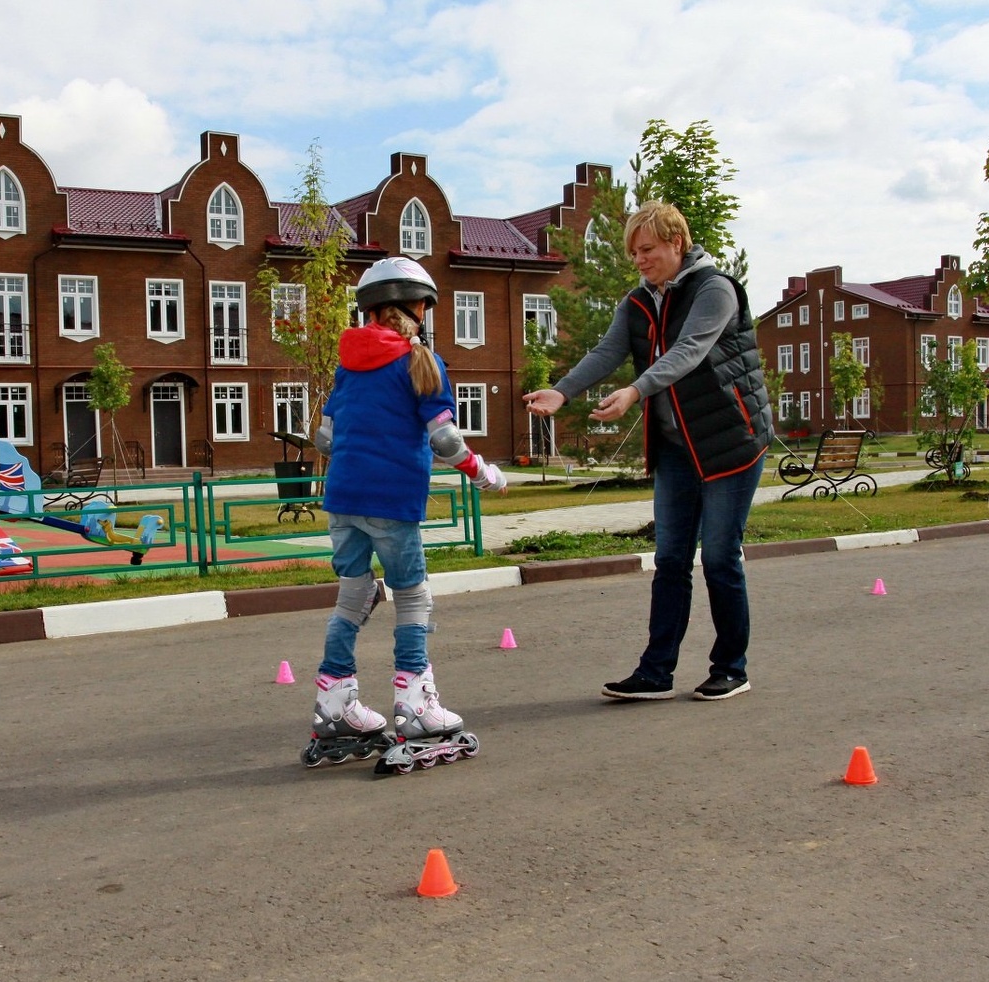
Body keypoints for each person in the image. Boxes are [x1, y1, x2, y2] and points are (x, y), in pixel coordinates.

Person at [523, 200, 773, 703]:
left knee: (721, 557)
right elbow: (607, 351)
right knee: (671, 560)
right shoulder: (637, 302)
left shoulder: (715, 290)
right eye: (633, 251)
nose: (638, 259)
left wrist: (636, 391)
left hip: (730, 442)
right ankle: (656, 672)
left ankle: (731, 667)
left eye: (648, 249)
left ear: (676, 243)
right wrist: (563, 390)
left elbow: (689, 351)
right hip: (679, 449)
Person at [302, 256, 508, 768]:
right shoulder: (422, 363)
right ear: (419, 309)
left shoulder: (347, 364)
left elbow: (324, 437)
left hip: (342, 500)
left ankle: (334, 708)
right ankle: (415, 706)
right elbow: (444, 439)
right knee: (412, 598)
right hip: (392, 502)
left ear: (370, 309)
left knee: (353, 598)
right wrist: (484, 472)